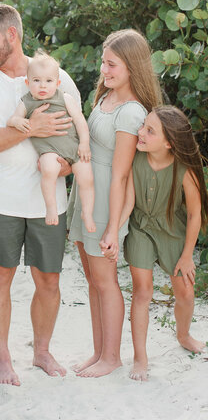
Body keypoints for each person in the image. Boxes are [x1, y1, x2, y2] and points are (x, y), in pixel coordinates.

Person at [0, 3, 81, 386]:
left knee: (49, 280)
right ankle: (2, 359)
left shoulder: (56, 76)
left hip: (49, 201)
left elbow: (77, 136)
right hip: (0, 199)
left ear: (11, 35)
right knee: (0, 277)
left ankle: (42, 352)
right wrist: (31, 128)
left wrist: (64, 165)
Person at [67, 29, 162, 378]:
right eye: (103, 62)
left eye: (112, 64)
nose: (104, 70)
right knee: (92, 279)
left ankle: (112, 357)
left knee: (106, 281)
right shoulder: (104, 98)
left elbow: (122, 175)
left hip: (108, 201)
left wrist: (112, 227)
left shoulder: (132, 112)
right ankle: (99, 351)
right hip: (85, 195)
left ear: (131, 66)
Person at [118, 106, 207, 381]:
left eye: (149, 130)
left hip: (174, 233)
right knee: (142, 291)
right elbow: (129, 201)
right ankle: (140, 358)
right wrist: (114, 231)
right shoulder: (135, 158)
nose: (140, 132)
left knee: (186, 293)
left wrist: (187, 255)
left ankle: (183, 335)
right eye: (143, 125)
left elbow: (194, 214)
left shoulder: (185, 170)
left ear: (169, 143)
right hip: (141, 228)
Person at [7, 50, 95, 231]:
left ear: (58, 83)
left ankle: (87, 213)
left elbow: (80, 121)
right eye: (36, 80)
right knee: (48, 170)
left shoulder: (65, 97)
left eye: (48, 81)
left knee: (86, 178)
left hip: (74, 148)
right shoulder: (27, 102)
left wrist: (84, 143)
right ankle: (51, 208)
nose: (42, 86)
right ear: (27, 82)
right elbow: (12, 119)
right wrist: (19, 121)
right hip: (50, 151)